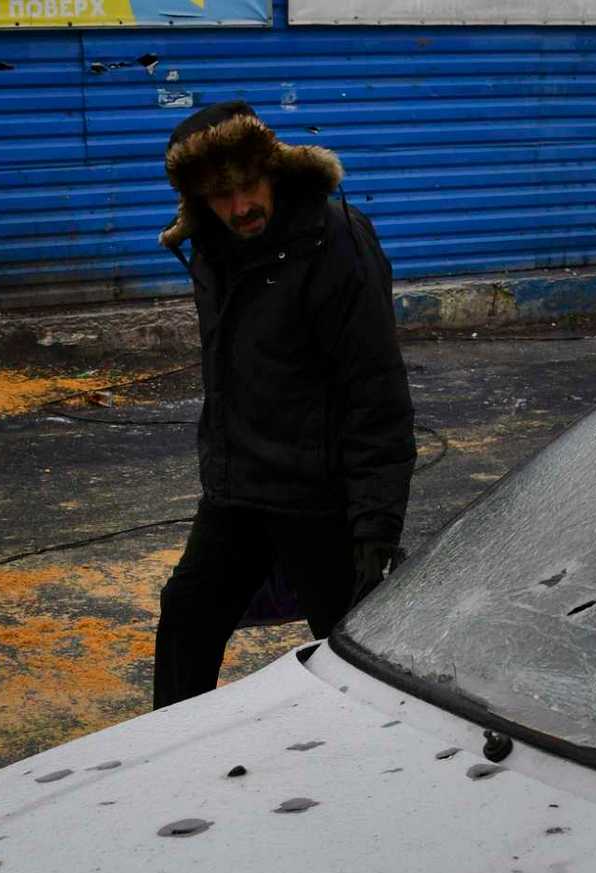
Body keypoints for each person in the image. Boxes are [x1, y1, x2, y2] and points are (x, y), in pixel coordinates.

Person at [151, 100, 415, 709]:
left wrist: (376, 525)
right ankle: (168, 749)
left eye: (248, 186)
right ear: (197, 199)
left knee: (351, 659)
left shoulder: (336, 242)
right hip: (238, 492)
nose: (240, 207)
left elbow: (375, 388)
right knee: (187, 615)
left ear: (273, 170)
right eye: (220, 195)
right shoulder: (213, 247)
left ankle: (374, 767)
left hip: (318, 500)